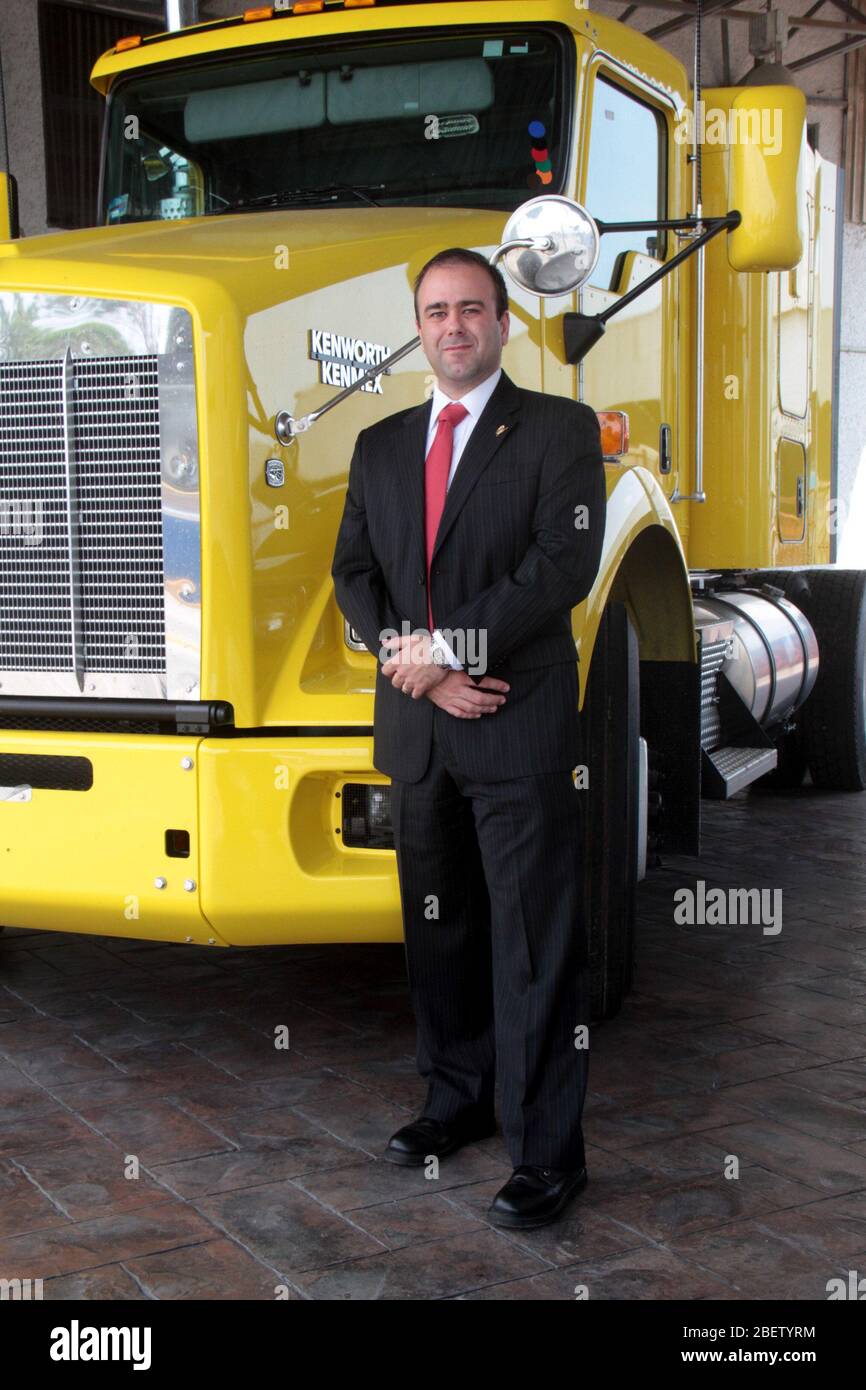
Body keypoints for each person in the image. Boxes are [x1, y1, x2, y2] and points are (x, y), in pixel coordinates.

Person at [331, 247, 606, 1229]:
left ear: (503, 323)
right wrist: (423, 666)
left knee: (534, 945)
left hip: (514, 724)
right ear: (420, 326)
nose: (453, 325)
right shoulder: (379, 443)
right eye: (436, 310)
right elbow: (352, 573)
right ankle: (454, 1102)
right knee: (438, 933)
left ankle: (546, 1156)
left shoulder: (558, 431)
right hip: (420, 727)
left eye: (471, 309)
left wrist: (452, 647)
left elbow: (562, 562)